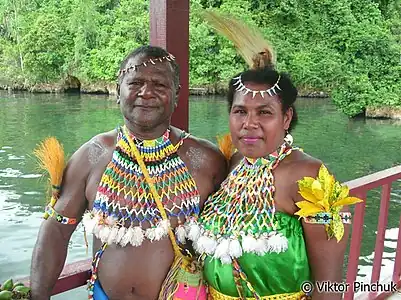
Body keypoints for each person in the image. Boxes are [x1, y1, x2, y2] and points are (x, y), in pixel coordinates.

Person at [185, 12, 362, 300]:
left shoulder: (309, 177)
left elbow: (329, 283)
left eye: (264, 112)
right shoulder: (232, 161)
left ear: (286, 117)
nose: (249, 123)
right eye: (240, 111)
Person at [29, 45, 228, 300]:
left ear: (176, 95)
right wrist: (38, 296)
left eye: (159, 84)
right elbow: (56, 231)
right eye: (135, 82)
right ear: (118, 91)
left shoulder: (206, 159)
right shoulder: (92, 155)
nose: (146, 92)